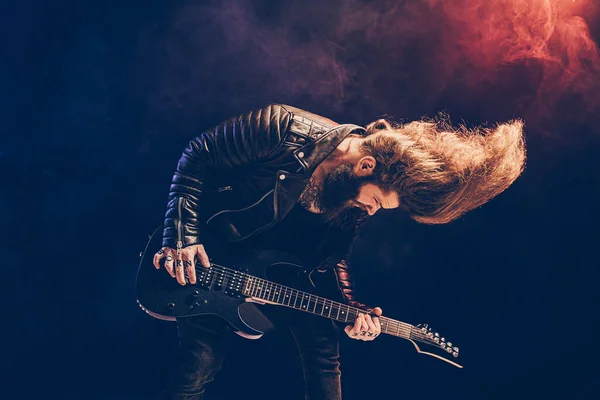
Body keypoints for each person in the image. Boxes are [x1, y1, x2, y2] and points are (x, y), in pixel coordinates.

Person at [153, 104, 526, 399]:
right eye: (377, 201)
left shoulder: (350, 200)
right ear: (365, 166)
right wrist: (181, 236)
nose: (372, 211)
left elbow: (332, 258)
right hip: (212, 253)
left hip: (279, 274)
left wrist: (351, 308)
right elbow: (198, 155)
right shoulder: (284, 127)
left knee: (323, 351)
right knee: (199, 363)